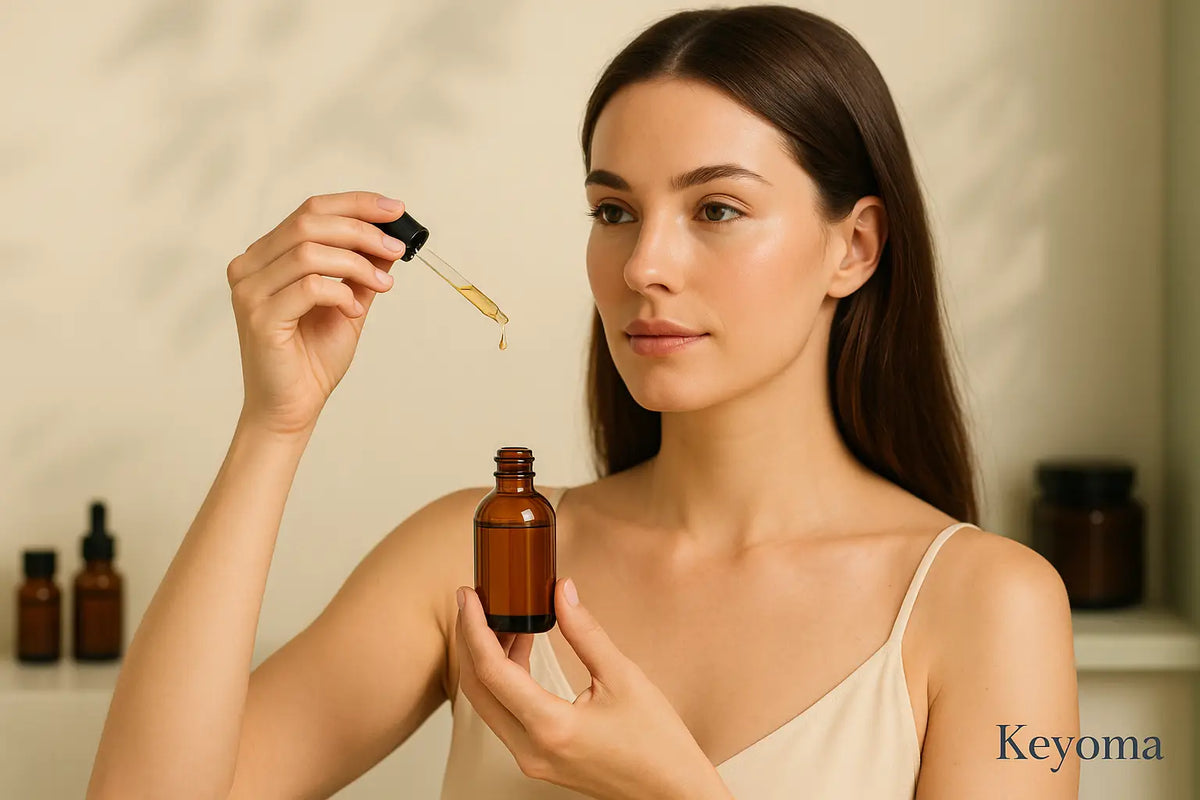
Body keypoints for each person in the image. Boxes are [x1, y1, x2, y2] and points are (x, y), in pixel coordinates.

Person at [86, 5, 1080, 799]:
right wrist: (274, 424)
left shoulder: (987, 606)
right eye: (614, 211)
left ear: (853, 247)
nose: (643, 265)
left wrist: (673, 790)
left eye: (717, 208)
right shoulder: (479, 555)